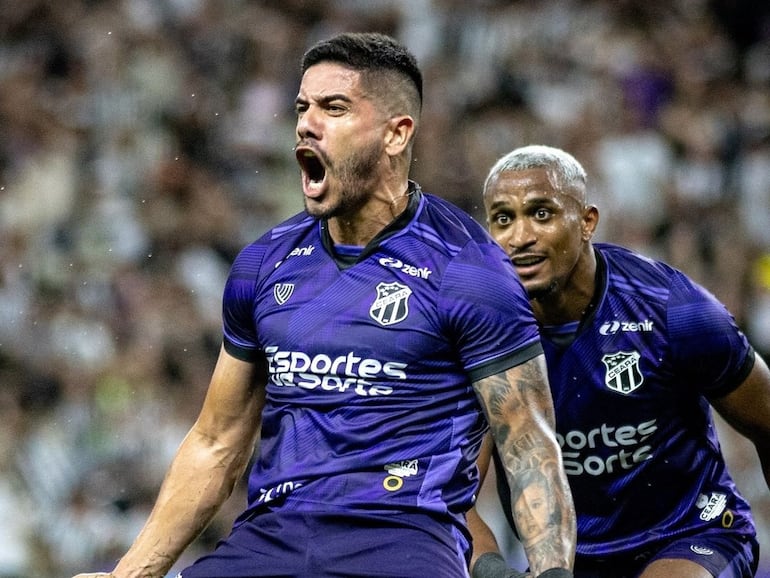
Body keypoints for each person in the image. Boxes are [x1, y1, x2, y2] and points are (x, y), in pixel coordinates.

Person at [74, 34, 576, 578]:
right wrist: (132, 574)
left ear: (396, 134)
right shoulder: (264, 263)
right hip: (271, 539)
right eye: (302, 108)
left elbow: (527, 444)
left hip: (401, 539)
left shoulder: (469, 272)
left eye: (334, 108)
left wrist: (550, 572)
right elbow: (217, 441)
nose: (306, 123)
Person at [467, 144, 770, 578]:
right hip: (562, 562)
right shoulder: (478, 333)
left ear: (587, 222)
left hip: (689, 533)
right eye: (503, 219)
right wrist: (494, 571)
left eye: (541, 213)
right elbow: (451, 493)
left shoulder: (673, 309)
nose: (520, 236)